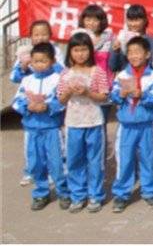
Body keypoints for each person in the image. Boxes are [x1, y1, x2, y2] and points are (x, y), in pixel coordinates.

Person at [12, 42, 70, 211]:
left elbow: (63, 101)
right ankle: (41, 193)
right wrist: (27, 106)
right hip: (32, 129)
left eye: (43, 61)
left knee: (57, 163)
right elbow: (17, 101)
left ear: (52, 61)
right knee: (36, 163)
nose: (39, 65)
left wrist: (48, 106)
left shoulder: (58, 79)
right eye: (36, 61)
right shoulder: (27, 80)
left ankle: (63, 192)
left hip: (52, 128)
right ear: (31, 62)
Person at [57, 33, 111, 213]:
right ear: (70, 52)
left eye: (84, 50)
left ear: (90, 51)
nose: (80, 54)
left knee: (95, 160)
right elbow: (61, 100)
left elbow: (104, 96)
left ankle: (95, 195)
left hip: (94, 121)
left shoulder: (98, 72)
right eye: (76, 50)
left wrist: (88, 92)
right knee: (74, 160)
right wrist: (69, 92)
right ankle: (78, 195)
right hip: (73, 123)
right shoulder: (66, 73)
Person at [109, 36, 153, 213]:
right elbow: (113, 96)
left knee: (149, 159)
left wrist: (143, 95)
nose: (133, 56)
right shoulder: (122, 75)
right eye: (130, 52)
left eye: (137, 52)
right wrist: (121, 95)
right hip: (126, 126)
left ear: (147, 54)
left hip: (147, 125)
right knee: (124, 160)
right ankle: (122, 193)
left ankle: (150, 191)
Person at [10, 20, 64, 187]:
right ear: (31, 36)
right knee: (32, 149)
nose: (40, 37)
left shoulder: (55, 53)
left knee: (55, 150)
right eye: (36, 34)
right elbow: (14, 78)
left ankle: (56, 177)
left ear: (50, 35)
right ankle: (31, 172)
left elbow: (63, 77)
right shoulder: (26, 53)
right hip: (32, 117)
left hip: (50, 119)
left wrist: (49, 106)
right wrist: (24, 67)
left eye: (44, 34)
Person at [110, 4, 153, 72]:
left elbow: (152, 65)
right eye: (130, 20)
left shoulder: (151, 42)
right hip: (124, 77)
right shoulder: (120, 39)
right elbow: (113, 67)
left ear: (144, 20)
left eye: (136, 20)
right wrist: (116, 52)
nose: (133, 24)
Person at [74, 4, 114, 83]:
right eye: (88, 20)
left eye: (95, 20)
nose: (91, 23)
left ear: (101, 21)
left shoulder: (109, 38)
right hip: (83, 80)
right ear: (83, 21)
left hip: (104, 80)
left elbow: (113, 63)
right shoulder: (77, 36)